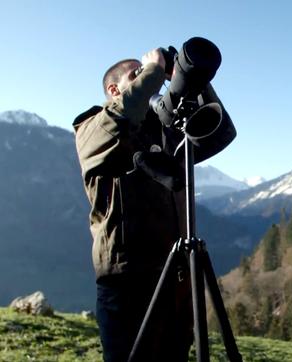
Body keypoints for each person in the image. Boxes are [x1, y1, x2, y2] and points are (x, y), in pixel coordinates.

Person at [73, 47, 236, 362]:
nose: (151, 79)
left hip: (175, 275)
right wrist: (151, 69)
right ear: (113, 89)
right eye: (136, 74)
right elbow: (122, 117)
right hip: (127, 281)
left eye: (151, 75)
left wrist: (191, 80)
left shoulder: (164, 133)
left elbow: (221, 134)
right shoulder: (94, 129)